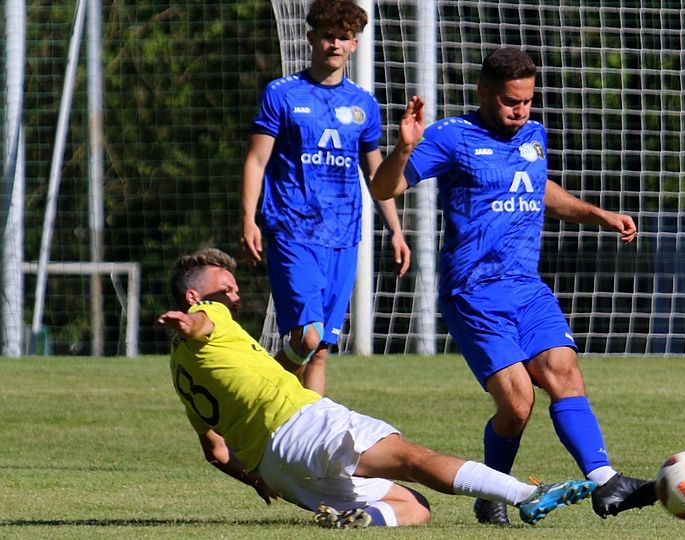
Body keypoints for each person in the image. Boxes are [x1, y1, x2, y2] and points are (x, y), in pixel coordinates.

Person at [370, 47, 656, 525]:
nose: (520, 111)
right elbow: (383, 189)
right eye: (509, 101)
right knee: (519, 403)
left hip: (526, 286)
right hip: (473, 293)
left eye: (527, 101)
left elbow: (537, 187)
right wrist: (403, 148)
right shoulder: (450, 137)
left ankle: (606, 481)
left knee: (564, 369)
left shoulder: (534, 134)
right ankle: (493, 492)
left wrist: (598, 215)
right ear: (483, 92)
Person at [158, 248, 595, 529]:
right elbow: (201, 323)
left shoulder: (181, 370)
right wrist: (187, 320)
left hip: (278, 470)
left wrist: (256, 480)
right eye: (225, 289)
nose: (234, 297)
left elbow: (216, 450)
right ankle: (527, 494)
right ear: (196, 298)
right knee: (413, 458)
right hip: (303, 426)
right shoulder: (210, 316)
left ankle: (356, 522)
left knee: (414, 507)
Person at [240, 0, 410, 395]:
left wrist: (396, 231)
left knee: (319, 351)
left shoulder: (363, 104)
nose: (335, 45)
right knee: (307, 337)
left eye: (344, 38)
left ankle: (308, 432)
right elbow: (256, 159)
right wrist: (248, 218)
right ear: (312, 38)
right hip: (292, 231)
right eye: (328, 36)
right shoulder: (282, 94)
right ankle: (252, 396)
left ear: (355, 44)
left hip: (343, 235)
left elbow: (377, 175)